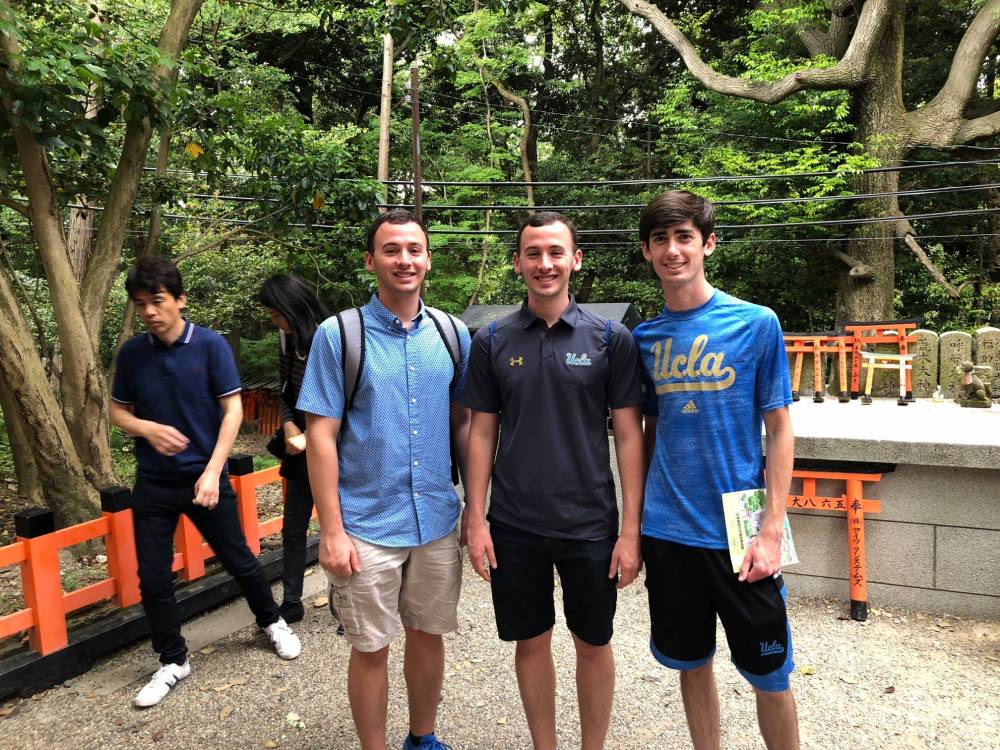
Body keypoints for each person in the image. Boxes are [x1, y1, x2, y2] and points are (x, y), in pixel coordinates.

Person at [463, 212, 646, 750]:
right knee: (531, 640)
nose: (545, 264)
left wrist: (630, 531)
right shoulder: (492, 337)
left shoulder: (611, 338)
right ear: (518, 262)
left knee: (593, 641)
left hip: (590, 523)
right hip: (514, 523)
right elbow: (480, 435)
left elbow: (630, 437)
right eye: (533, 253)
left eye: (555, 252)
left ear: (575, 259)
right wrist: (476, 518)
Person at [297, 209, 471, 750]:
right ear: (372, 260)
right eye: (391, 250)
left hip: (438, 518)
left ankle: (423, 737)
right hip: (366, 522)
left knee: (428, 635)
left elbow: (464, 422)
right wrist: (331, 530)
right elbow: (320, 436)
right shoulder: (339, 335)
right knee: (370, 646)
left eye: (414, 249)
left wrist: (477, 508)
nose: (405, 260)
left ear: (428, 259)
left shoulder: (452, 332)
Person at [631, 191, 799, 749]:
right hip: (669, 529)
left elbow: (779, 428)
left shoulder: (756, 324)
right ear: (648, 251)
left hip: (742, 527)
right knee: (690, 663)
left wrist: (772, 530)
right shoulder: (645, 340)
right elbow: (648, 435)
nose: (673, 250)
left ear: (708, 243)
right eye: (661, 239)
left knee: (770, 675)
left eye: (684, 237)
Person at [110, 256, 301, 709]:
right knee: (153, 578)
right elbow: (118, 412)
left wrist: (214, 471)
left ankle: (271, 621)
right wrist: (147, 429)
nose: (150, 312)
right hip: (153, 483)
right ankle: (173, 660)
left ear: (180, 300)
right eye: (141, 305)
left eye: (157, 301)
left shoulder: (210, 346)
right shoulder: (133, 354)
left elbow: (232, 409)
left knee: (240, 560)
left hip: (206, 476)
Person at [259, 273, 330, 624]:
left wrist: (314, 434)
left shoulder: (331, 337)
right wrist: (289, 424)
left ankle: (343, 596)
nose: (275, 322)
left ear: (292, 307)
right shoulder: (287, 341)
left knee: (341, 524)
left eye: (277, 314)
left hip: (333, 449)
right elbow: (284, 389)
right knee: (293, 526)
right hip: (299, 448)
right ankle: (291, 600)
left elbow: (347, 402)